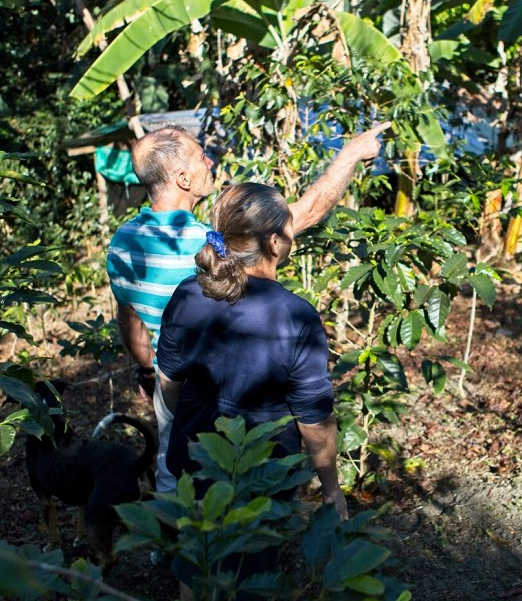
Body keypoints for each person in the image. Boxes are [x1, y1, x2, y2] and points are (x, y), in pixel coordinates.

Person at [107, 122, 389, 493]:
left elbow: (129, 318)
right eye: (200, 157)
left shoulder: (123, 242)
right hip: (225, 390)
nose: (209, 161)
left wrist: (147, 369)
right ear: (182, 178)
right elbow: (301, 215)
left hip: (171, 380)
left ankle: (172, 546)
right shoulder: (210, 243)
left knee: (176, 475)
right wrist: (350, 154)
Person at [156, 182, 345, 600]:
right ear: (275, 242)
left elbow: (169, 382)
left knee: (197, 555)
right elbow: (313, 421)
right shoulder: (294, 316)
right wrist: (330, 486)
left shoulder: (188, 293)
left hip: (195, 449)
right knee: (252, 568)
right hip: (260, 463)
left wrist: (191, 424)